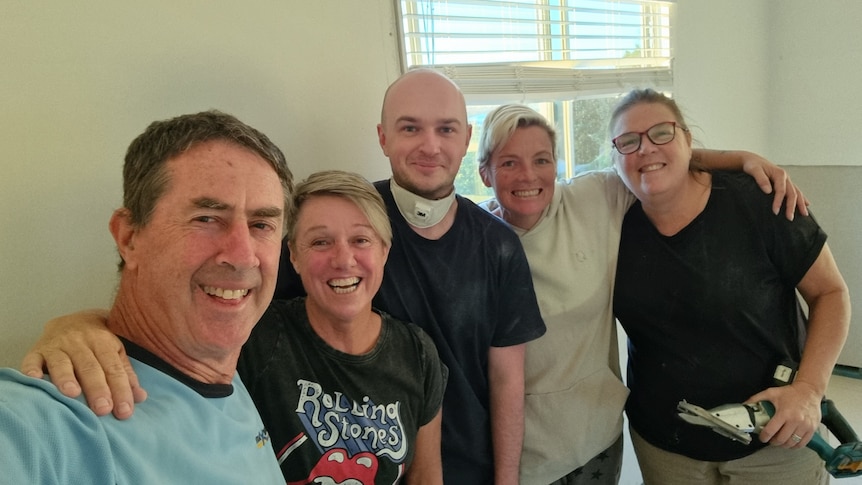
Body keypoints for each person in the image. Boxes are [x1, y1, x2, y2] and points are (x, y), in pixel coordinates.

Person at [22, 69, 547, 484]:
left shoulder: (495, 247)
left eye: (446, 129)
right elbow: (214, 307)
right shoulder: (334, 220)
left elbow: (508, 378)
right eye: (410, 127)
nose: (343, 258)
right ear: (383, 137)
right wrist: (82, 327)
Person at [476, 103, 811, 484]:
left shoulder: (593, 198)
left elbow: (655, 163)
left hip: (593, 438)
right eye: (508, 163)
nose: (528, 175)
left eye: (541, 160)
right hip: (516, 448)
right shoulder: (474, 242)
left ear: (557, 164)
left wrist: (742, 159)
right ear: (484, 172)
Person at [0, 110, 292, 483]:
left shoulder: (230, 379)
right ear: (129, 238)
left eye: (262, 224)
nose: (242, 255)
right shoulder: (47, 423)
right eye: (205, 218)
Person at [609, 89, 850, 484]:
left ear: (688, 139)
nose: (645, 149)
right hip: (666, 448)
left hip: (776, 441)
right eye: (628, 141)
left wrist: (808, 389)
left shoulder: (758, 201)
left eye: (662, 133)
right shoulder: (612, 217)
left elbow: (830, 294)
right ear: (616, 158)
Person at [239, 170, 446, 483]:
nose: (344, 260)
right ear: (293, 255)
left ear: (384, 251)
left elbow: (425, 478)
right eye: (321, 242)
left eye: (361, 239)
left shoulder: (417, 353)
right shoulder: (254, 335)